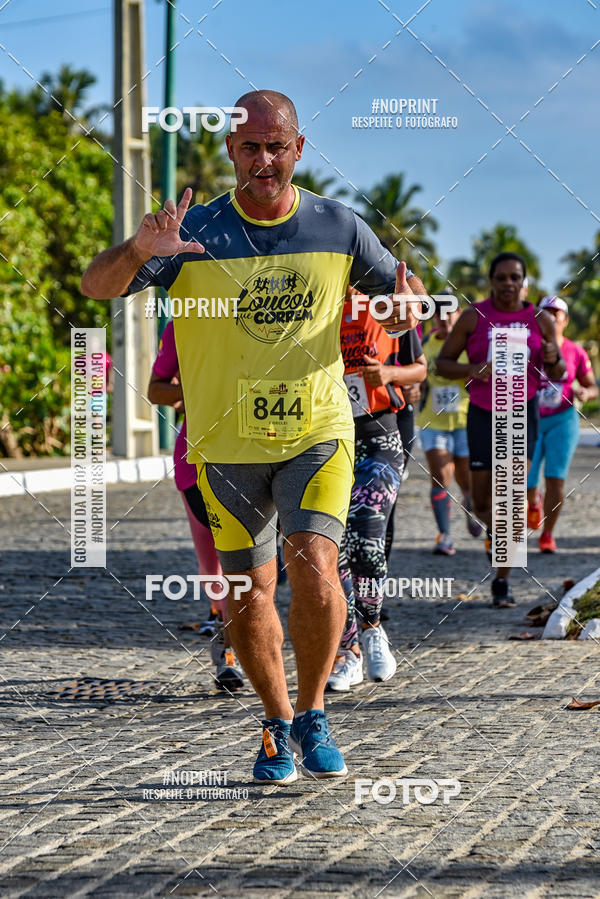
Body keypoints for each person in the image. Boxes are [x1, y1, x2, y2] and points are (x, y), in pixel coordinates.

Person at [81, 89, 424, 784]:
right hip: (227, 442)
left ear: (299, 150)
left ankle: (314, 711)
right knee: (248, 592)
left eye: (277, 146)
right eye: (249, 147)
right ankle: (274, 722)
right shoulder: (191, 232)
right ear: (231, 152)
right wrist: (139, 249)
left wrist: (405, 303)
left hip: (316, 434)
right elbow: (96, 286)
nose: (263, 159)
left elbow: (399, 295)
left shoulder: (339, 225)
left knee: (317, 568)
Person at [436, 252, 565, 607]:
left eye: (515, 278)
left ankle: (502, 580)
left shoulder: (540, 319)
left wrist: (554, 358)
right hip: (482, 412)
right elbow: (442, 363)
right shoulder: (473, 316)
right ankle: (498, 531)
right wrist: (473, 369)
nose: (509, 284)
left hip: (522, 413)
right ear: (491, 281)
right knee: (482, 501)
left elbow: (557, 375)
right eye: (502, 277)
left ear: (524, 283)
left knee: (509, 499)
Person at [327, 287, 426, 693]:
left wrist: (387, 375)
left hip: (379, 436)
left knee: (367, 539)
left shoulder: (388, 308)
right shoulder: (315, 301)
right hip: (325, 440)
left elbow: (419, 369)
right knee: (330, 551)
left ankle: (372, 627)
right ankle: (347, 652)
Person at [147, 320, 244, 690]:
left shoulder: (261, 319)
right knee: (213, 566)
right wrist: (193, 387)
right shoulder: (182, 326)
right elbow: (155, 390)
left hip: (255, 457)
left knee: (250, 565)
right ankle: (227, 648)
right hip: (195, 461)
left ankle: (248, 644)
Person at [527, 296, 597, 552]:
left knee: (555, 478)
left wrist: (586, 394)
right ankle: (533, 502)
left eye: (557, 313)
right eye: (546, 312)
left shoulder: (575, 351)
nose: (552, 317)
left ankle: (547, 534)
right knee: (527, 481)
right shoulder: (528, 346)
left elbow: (591, 386)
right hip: (531, 420)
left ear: (565, 320)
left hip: (562, 420)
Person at [417, 300, 483, 556]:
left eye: (449, 314)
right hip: (433, 421)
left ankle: (469, 503)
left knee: (466, 478)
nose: (443, 319)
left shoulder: (469, 345)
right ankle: (444, 535)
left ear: (458, 317)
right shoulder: (424, 344)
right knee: (441, 475)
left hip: (465, 421)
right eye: (438, 315)